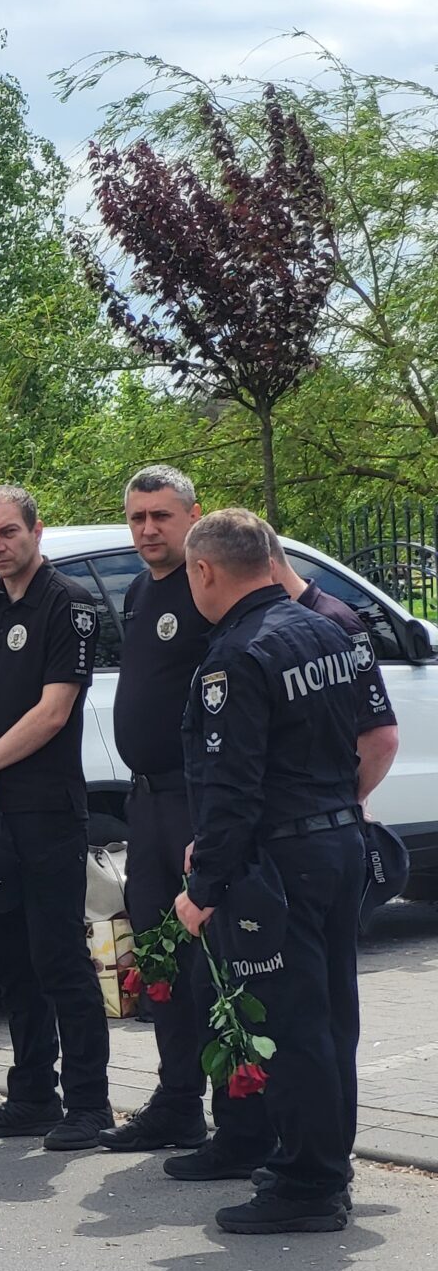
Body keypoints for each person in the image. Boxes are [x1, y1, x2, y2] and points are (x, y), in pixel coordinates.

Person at [176, 509, 367, 1234]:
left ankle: (308, 1185)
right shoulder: (326, 630)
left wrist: (204, 887)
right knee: (331, 1018)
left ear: (205, 570)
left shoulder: (237, 656)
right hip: (338, 844)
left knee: (291, 1025)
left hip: (281, 862)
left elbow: (233, 787)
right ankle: (324, 1166)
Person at [0, 486, 112, 1148]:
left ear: (37, 532)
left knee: (58, 958)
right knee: (11, 961)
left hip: (46, 810)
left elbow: (52, 712)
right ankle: (32, 1096)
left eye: (8, 532)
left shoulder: (68, 604)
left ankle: (90, 1105)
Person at [98, 466, 220, 1160]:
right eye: (137, 517)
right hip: (146, 802)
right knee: (160, 953)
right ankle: (177, 1102)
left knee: (211, 959)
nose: (147, 530)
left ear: (193, 516)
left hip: (195, 799)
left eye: (161, 516)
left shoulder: (207, 585)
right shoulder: (141, 591)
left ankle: (237, 1108)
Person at [266, 527, 400, 802]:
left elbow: (380, 736)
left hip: (318, 810)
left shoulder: (335, 621)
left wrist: (346, 805)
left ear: (268, 567)